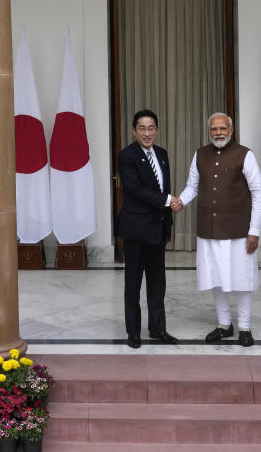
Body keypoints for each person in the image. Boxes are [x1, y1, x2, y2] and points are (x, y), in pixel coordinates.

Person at [178, 112, 261, 347]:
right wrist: (180, 202)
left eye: (222, 129)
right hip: (210, 229)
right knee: (216, 278)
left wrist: (254, 230)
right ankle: (224, 324)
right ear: (209, 132)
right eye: (214, 129)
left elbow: (259, 192)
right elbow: (192, 187)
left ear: (231, 130)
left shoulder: (244, 154)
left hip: (239, 230)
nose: (218, 133)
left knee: (242, 279)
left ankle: (245, 327)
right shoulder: (200, 154)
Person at [116, 109, 180, 349]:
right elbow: (134, 190)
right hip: (135, 230)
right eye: (141, 128)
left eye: (150, 128)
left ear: (157, 130)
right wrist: (168, 200)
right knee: (133, 285)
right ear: (134, 131)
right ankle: (133, 332)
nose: (146, 133)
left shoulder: (162, 154)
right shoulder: (127, 156)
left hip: (158, 229)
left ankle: (158, 329)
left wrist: (169, 214)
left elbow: (164, 185)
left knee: (158, 283)